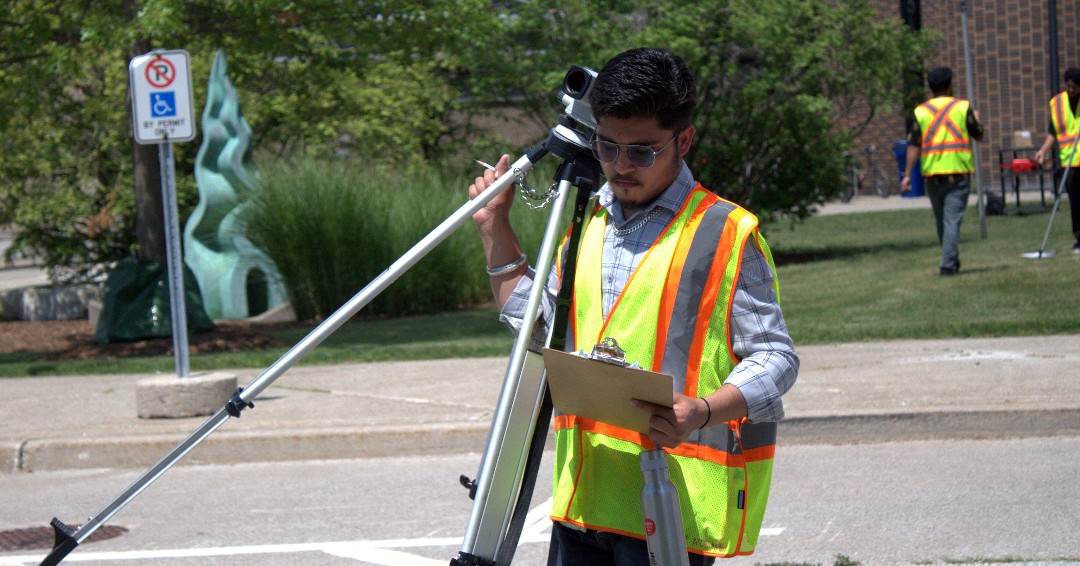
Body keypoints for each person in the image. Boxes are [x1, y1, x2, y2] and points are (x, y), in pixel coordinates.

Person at [467, 48, 798, 565]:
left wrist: (704, 411)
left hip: (672, 504)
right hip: (585, 498)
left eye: (641, 152)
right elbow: (539, 327)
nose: (620, 166)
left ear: (683, 140)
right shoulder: (587, 223)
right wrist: (496, 233)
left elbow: (775, 359)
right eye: (606, 146)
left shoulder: (726, 233)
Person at [901, 66, 985, 276]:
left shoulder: (921, 112)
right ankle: (948, 264)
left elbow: (913, 144)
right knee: (952, 220)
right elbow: (979, 134)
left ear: (930, 88)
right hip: (957, 173)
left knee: (943, 220)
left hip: (932, 176)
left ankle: (951, 260)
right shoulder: (962, 107)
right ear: (950, 85)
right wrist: (977, 118)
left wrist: (906, 175)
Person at [1033, 67, 1080, 255]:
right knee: (1076, 203)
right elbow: (1054, 132)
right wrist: (1042, 151)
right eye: (1068, 86)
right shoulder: (1057, 103)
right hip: (1069, 161)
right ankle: (1079, 239)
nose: (1070, 90)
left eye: (1074, 87)